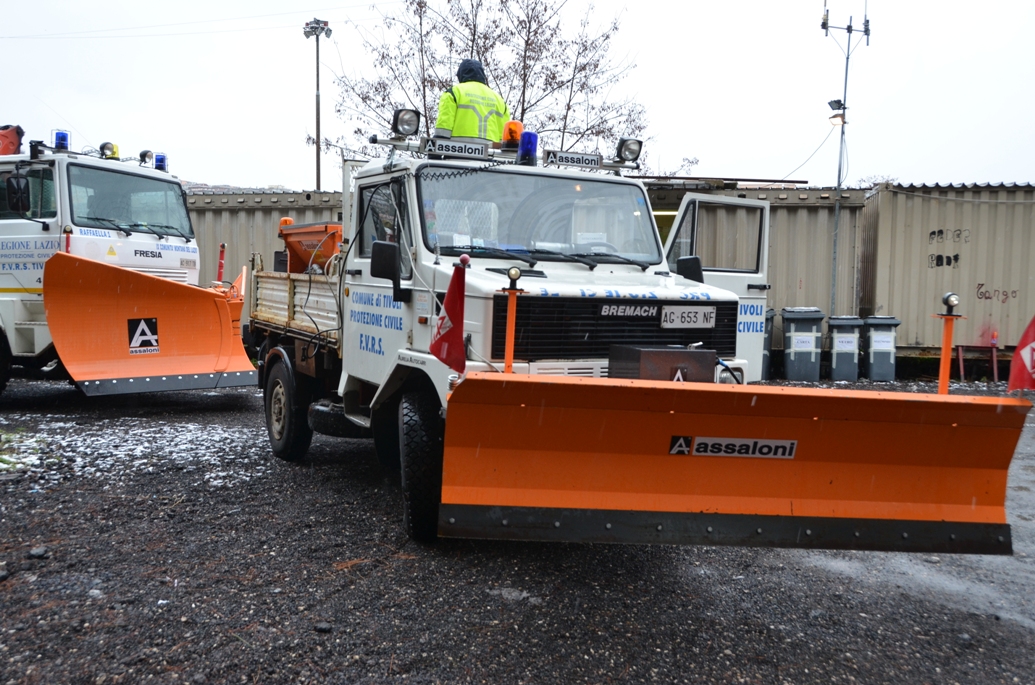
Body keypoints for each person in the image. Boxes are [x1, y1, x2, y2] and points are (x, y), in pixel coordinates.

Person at [434, 59, 509, 145]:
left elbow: (443, 129)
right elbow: (503, 138)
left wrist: (435, 150)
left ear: (461, 75)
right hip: (489, 155)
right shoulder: (499, 100)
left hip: (457, 153)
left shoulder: (454, 93)